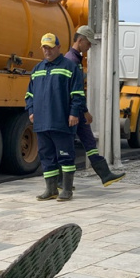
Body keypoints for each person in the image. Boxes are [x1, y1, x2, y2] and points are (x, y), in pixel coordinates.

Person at [25, 33, 85, 201]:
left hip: (62, 121)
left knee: (65, 155)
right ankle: (51, 190)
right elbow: (29, 94)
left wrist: (74, 113)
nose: (47, 50)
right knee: (46, 156)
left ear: (58, 47)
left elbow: (78, 93)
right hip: (41, 122)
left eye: (50, 47)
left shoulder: (70, 67)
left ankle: (66, 190)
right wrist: (30, 111)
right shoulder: (37, 69)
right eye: (44, 47)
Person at [64, 25, 126, 187]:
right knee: (67, 148)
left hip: (76, 111)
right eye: (88, 43)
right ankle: (62, 183)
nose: (90, 46)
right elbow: (75, 91)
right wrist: (84, 111)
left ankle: (105, 175)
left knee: (89, 142)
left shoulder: (74, 59)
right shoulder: (71, 60)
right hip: (73, 112)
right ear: (80, 40)